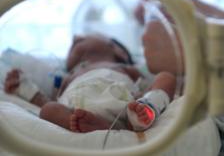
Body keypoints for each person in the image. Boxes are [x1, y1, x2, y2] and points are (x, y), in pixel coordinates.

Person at [4, 35, 176, 132]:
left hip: (127, 107)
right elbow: (45, 100)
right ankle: (97, 126)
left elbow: (149, 84)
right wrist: (24, 87)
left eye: (81, 40)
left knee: (166, 77)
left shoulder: (124, 67)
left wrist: (144, 98)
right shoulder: (68, 77)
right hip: (76, 110)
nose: (75, 38)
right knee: (49, 109)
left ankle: (147, 108)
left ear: (119, 51)